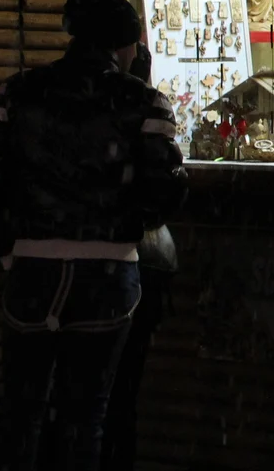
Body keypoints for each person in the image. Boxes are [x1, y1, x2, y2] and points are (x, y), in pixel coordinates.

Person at [0, 0, 188, 470]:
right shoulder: (142, 101)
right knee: (86, 416)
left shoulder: (16, 93)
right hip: (107, 273)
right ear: (124, 45)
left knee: (22, 414)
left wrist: (9, 251)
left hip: (30, 271)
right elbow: (165, 191)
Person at [98, 45, 176, 471]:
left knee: (59, 400)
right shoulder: (143, 105)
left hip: (45, 270)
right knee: (119, 392)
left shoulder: (30, 91)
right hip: (128, 263)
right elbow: (165, 190)